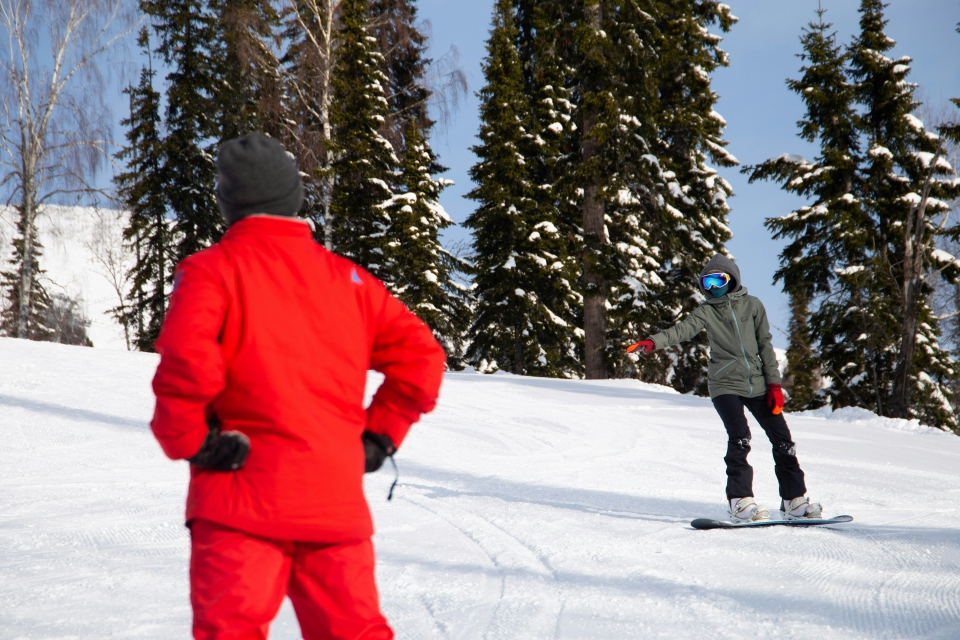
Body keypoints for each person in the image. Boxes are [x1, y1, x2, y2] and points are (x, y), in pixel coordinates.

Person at [150, 132, 446, 639]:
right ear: (294, 198)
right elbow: (422, 358)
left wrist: (191, 442)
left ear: (229, 204)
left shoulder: (210, 271)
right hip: (332, 505)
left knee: (232, 631)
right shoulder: (349, 282)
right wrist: (379, 436)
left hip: (238, 498)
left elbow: (187, 361)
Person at [627, 254, 822, 523]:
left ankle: (793, 500)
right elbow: (682, 330)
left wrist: (774, 385)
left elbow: (765, 345)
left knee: (783, 441)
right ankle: (740, 501)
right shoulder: (706, 311)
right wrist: (653, 342)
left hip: (759, 384)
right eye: (707, 282)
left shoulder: (753, 306)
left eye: (719, 279)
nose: (713, 286)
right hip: (724, 384)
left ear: (732, 279)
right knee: (740, 437)